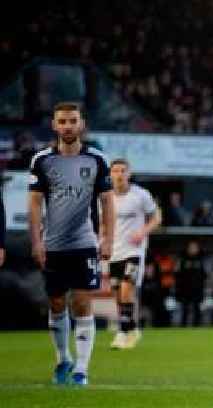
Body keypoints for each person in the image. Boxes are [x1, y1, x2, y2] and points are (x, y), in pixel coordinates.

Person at [29, 101, 115, 385]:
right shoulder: (41, 160)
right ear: (54, 125)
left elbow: (107, 202)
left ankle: (81, 369)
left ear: (82, 124)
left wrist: (108, 239)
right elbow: (34, 203)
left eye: (73, 121)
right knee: (55, 303)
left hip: (85, 242)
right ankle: (62, 360)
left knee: (81, 301)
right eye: (62, 121)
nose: (68, 126)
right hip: (52, 245)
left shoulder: (97, 160)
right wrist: (36, 241)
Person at [108, 158, 161, 349]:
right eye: (116, 171)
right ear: (110, 174)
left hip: (134, 250)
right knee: (117, 294)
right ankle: (132, 328)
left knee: (126, 287)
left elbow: (157, 217)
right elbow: (101, 223)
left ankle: (121, 333)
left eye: (123, 171)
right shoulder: (105, 197)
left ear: (129, 174)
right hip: (114, 251)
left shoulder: (140, 195)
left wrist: (143, 232)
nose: (120, 175)